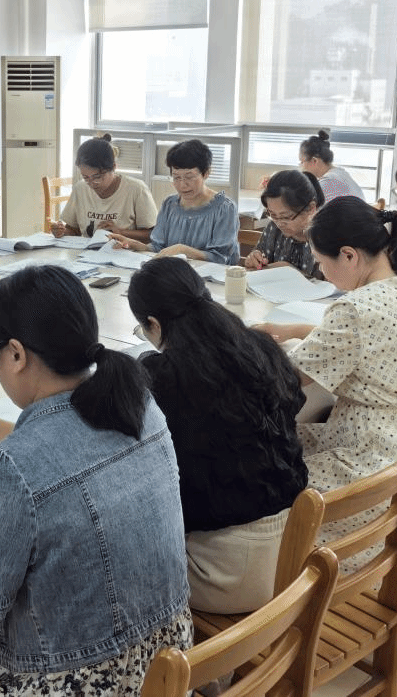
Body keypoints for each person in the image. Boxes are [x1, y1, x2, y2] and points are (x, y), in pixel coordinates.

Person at [0, 265, 191, 696]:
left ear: (16, 354)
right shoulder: (138, 405)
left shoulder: (7, 469)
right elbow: (66, 452)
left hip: (85, 680)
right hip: (169, 656)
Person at [262, 197, 397, 556]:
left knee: (267, 471)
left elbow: (289, 378)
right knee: (292, 443)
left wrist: (247, 347)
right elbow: (369, 342)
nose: (321, 271)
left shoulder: (354, 309)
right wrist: (296, 331)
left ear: (349, 255)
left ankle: (291, 571)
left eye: (321, 261)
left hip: (379, 464)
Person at [127, 257, 307, 614]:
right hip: (294, 549)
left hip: (225, 574)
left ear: (154, 324)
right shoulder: (259, 347)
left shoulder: (162, 375)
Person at [114, 139, 238, 263]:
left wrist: (183, 250)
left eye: (189, 177)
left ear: (206, 173)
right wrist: (136, 245)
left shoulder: (224, 208)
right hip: (171, 272)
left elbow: (222, 258)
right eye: (176, 177)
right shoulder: (169, 204)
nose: (182, 185)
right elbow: (158, 248)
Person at [49, 134, 157, 242]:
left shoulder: (136, 189)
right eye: (85, 177)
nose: (92, 183)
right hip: (89, 250)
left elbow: (154, 235)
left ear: (114, 167)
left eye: (97, 177)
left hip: (124, 250)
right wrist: (61, 231)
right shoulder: (80, 188)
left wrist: (121, 232)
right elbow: (74, 230)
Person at [245, 169, 324, 278]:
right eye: (273, 215)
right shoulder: (273, 228)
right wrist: (254, 260)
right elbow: (258, 267)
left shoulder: (325, 237)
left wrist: (289, 271)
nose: (279, 224)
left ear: (310, 208)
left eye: (286, 217)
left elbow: (333, 286)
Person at [299, 130, 365, 202]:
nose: (301, 166)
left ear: (314, 161)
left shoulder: (329, 182)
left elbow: (305, 206)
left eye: (302, 162)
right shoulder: (340, 173)